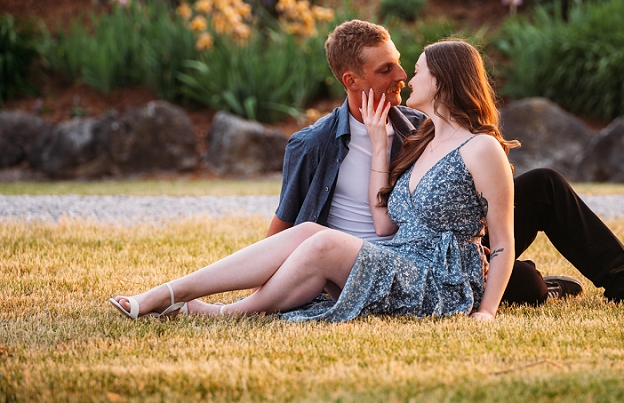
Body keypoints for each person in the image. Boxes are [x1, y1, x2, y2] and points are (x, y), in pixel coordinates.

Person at [268, 19, 624, 309]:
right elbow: (284, 227)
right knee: (527, 287)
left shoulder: (418, 123)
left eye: (405, 66)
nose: (402, 77)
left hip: (446, 247)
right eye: (387, 70)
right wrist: (270, 291)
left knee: (544, 185)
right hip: (385, 259)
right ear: (352, 80)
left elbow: (470, 188)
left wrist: (479, 236)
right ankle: (532, 277)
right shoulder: (313, 145)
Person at [110, 40, 516, 321]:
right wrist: (378, 145)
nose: (407, 79)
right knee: (307, 230)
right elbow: (384, 227)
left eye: (417, 72)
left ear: (442, 81)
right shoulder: (422, 138)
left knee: (321, 240)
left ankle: (215, 311)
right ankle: (170, 292)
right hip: (401, 257)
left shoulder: (481, 149)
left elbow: (502, 242)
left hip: (440, 282)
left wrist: (486, 312)